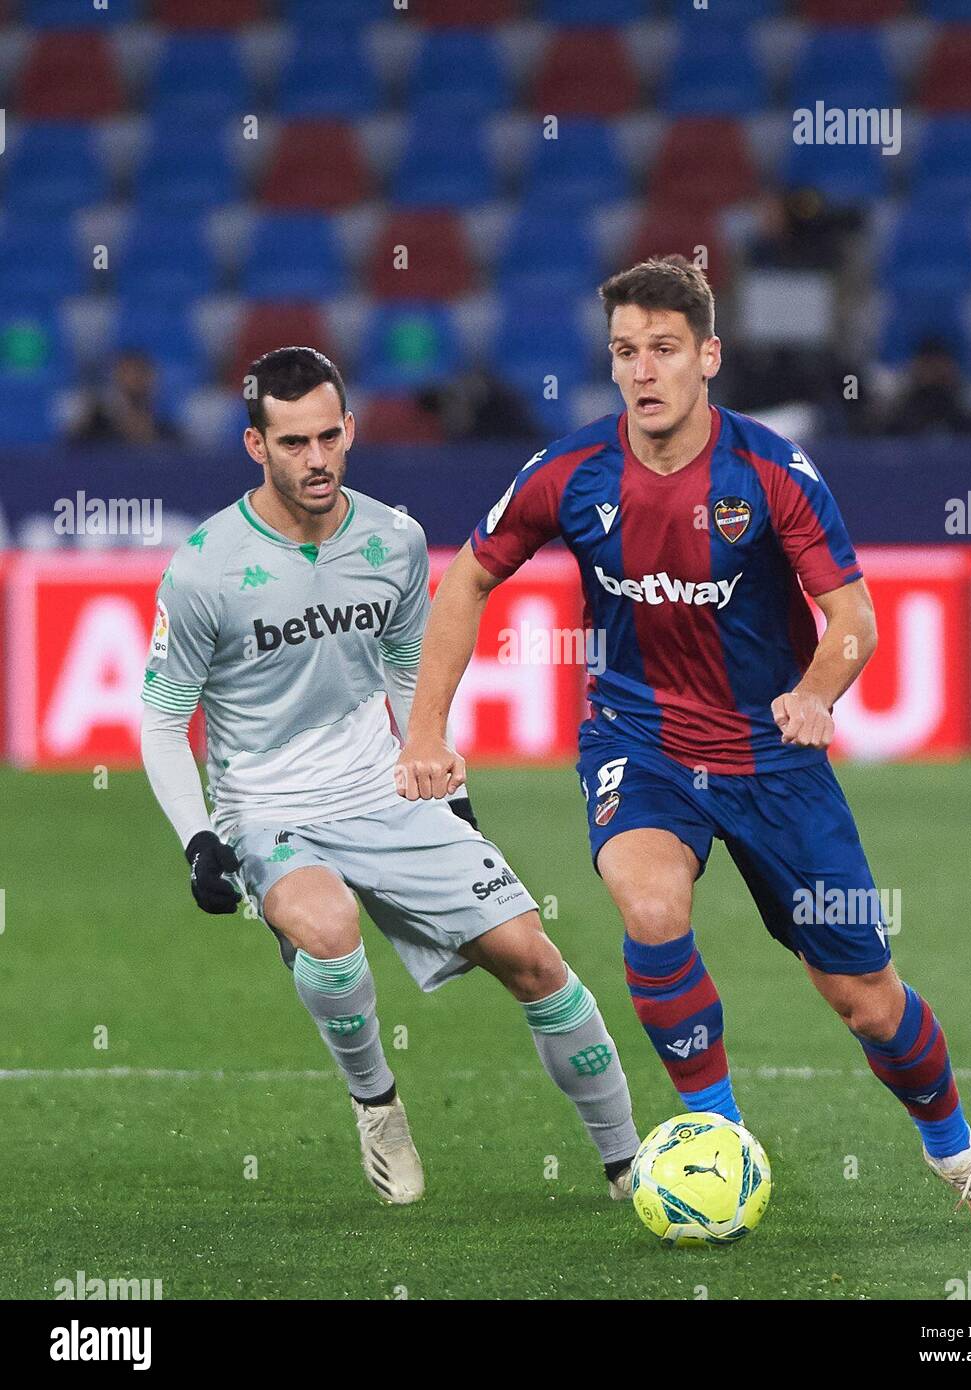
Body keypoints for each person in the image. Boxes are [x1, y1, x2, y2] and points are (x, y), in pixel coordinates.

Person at [395, 257, 971, 1231]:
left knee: (866, 998)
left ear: (708, 355)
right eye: (625, 352)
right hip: (639, 742)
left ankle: (958, 1151)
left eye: (664, 349)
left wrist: (817, 692)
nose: (644, 370)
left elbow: (854, 616)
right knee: (650, 906)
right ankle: (718, 1137)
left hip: (774, 761)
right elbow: (467, 579)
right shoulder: (572, 473)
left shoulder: (771, 472)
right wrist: (425, 729)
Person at [139, 346, 639, 1205]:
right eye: (293, 442)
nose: (318, 459)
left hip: (383, 788)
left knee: (534, 959)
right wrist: (199, 838)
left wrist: (442, 774)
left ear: (352, 429)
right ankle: (377, 1104)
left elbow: (411, 664)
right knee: (329, 932)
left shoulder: (395, 539)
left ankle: (629, 1163)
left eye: (330, 436)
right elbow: (160, 715)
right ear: (255, 446)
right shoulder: (204, 568)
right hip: (268, 806)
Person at [69, 351, 179, 444]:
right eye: (126, 375)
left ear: (152, 381)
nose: (133, 381)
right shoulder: (92, 435)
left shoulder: (169, 437)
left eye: (139, 376)